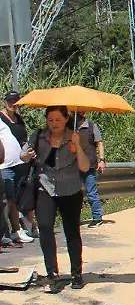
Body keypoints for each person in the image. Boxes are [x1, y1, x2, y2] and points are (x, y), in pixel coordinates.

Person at [21, 106, 90, 291]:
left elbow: (84, 167)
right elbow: (23, 154)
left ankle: (77, 273)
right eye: (50, 120)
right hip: (46, 188)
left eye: (58, 119)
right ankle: (52, 272)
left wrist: (78, 148)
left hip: (70, 190)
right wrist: (27, 155)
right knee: (44, 227)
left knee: (72, 232)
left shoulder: (75, 137)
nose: (54, 124)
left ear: (67, 119)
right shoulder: (38, 136)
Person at [1, 91, 37, 239]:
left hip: (21, 162)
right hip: (5, 164)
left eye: (15, 101)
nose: (13, 104)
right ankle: (12, 231)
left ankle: (26, 227)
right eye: (10, 101)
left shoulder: (19, 119)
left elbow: (23, 139)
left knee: (21, 196)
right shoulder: (1, 118)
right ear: (4, 101)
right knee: (8, 199)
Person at [75, 111, 106, 225]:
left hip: (89, 164)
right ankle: (74, 218)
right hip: (74, 165)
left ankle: (97, 218)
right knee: (74, 194)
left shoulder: (92, 126)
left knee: (91, 192)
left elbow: (99, 143)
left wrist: (101, 160)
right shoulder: (71, 127)